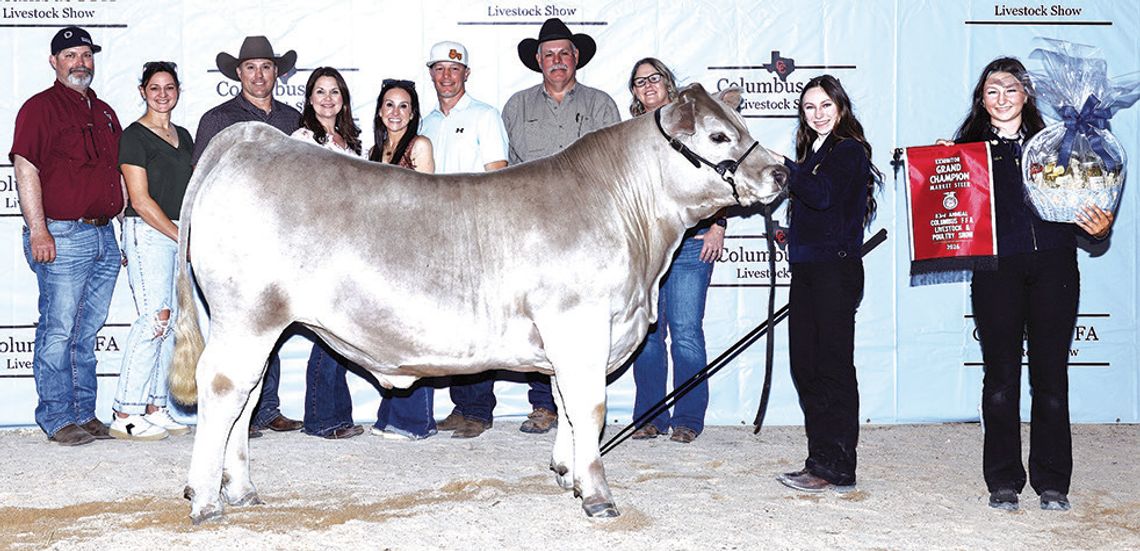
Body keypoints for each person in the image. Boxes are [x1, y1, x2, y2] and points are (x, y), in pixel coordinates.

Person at [945, 58, 1113, 512]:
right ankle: (1003, 479)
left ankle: (1053, 481)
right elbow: (946, 212)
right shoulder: (964, 152)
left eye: (1010, 88)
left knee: (1051, 378)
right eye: (991, 90)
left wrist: (1099, 225)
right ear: (981, 100)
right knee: (1000, 379)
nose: (1001, 97)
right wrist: (935, 167)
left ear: (1027, 95)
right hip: (996, 272)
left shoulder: (1063, 146)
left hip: (1055, 268)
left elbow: (1089, 208)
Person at [502, 17, 620, 433]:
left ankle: (583, 402)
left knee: (583, 317)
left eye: (564, 54)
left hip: (589, 230)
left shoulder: (602, 105)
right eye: (548, 54)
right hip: (532, 230)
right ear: (538, 60)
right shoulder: (516, 106)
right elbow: (509, 170)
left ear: (576, 59)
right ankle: (543, 405)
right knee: (536, 317)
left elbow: (615, 169)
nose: (557, 61)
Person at [766, 75, 881, 492]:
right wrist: (791, 234)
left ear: (840, 108)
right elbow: (821, 208)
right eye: (810, 107)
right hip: (811, 268)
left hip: (835, 270)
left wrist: (786, 167)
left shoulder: (849, 149)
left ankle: (838, 465)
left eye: (825, 106)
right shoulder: (814, 150)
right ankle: (821, 459)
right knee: (806, 366)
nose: (817, 114)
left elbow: (824, 194)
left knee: (831, 367)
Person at [10, 26, 123, 446]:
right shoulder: (39, 108)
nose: (81, 63)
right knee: (58, 329)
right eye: (71, 55)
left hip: (102, 235)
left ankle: (83, 412)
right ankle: (57, 416)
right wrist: (39, 230)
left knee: (86, 330)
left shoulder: (106, 111)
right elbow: (26, 168)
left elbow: (117, 175)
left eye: (86, 55)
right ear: (54, 61)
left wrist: (119, 236)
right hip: (60, 232)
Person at [192, 35, 304, 437]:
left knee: (272, 324)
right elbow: (201, 181)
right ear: (238, 73)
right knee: (234, 326)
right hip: (235, 239)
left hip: (283, 237)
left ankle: (265, 408)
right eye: (251, 68)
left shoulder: (293, 120)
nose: (259, 75)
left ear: (277, 73)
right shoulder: (217, 120)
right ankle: (231, 412)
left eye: (267, 67)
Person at [625, 58, 725, 445]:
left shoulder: (694, 124)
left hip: (690, 243)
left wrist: (718, 224)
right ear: (634, 93)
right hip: (647, 244)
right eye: (639, 82)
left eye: (653, 79)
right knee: (647, 334)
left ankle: (687, 416)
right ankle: (650, 415)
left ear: (667, 83)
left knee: (685, 333)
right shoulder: (630, 133)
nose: (647, 86)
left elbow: (720, 170)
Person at [420, 40, 510, 439]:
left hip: (474, 229)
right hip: (434, 231)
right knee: (450, 321)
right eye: (439, 69)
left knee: (479, 319)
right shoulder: (424, 122)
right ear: (431, 74)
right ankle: (461, 404)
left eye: (454, 70)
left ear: (466, 75)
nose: (446, 77)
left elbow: (498, 176)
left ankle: (478, 408)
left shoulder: (485, 116)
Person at [110, 61, 195, 441]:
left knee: (171, 321)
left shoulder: (185, 136)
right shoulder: (133, 136)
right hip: (147, 231)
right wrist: (180, 237)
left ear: (178, 91)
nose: (162, 94)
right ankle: (125, 411)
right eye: (155, 87)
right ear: (143, 91)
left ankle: (155, 407)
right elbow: (140, 201)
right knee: (154, 319)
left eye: (169, 87)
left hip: (177, 233)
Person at [289, 67, 365, 440]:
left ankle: (335, 415)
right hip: (319, 245)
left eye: (334, 92)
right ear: (309, 99)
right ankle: (320, 418)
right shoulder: (302, 138)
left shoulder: (350, 141)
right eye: (320, 92)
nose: (328, 99)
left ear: (343, 99)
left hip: (347, 245)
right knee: (325, 332)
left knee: (340, 331)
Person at [367, 78, 436, 439]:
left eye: (403, 106)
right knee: (391, 334)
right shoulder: (374, 152)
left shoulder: (419, 146)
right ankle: (390, 416)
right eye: (389, 105)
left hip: (413, 250)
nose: (396, 112)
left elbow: (427, 201)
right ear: (380, 111)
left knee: (413, 333)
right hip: (383, 254)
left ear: (413, 113)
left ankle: (417, 421)